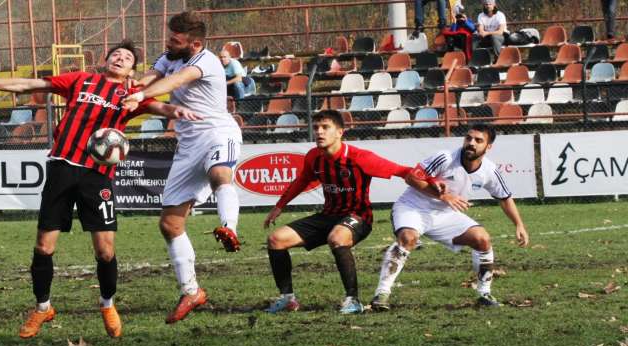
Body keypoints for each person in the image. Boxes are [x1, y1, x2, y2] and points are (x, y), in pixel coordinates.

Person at [0, 39, 198, 339]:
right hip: (61, 168)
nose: (119, 58)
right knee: (44, 246)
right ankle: (43, 307)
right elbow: (29, 85)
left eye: (126, 57)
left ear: (132, 70)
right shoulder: (81, 80)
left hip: (97, 177)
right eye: (115, 54)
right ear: (105, 60)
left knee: (105, 251)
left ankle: (107, 305)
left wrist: (178, 111)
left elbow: (161, 106)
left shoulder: (132, 94)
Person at [122, 11, 243, 324]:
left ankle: (229, 227)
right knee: (170, 224)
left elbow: (175, 81)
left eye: (175, 40)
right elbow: (153, 74)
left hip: (217, 132)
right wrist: (135, 86)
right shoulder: (170, 54)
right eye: (169, 37)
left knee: (220, 175)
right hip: (187, 144)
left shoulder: (206, 62)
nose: (169, 43)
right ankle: (191, 292)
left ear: (195, 43)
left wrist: (139, 95)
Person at [262, 110, 441, 315]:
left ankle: (353, 299)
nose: (319, 132)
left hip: (358, 216)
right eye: (316, 127)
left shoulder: (360, 158)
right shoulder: (314, 157)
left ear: (340, 132)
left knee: (337, 238)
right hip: (328, 215)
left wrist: (434, 182)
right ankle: (287, 299)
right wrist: (279, 206)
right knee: (276, 239)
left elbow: (402, 170)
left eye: (325, 127)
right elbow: (302, 180)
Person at [370, 124, 529, 311]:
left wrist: (519, 225)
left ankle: (484, 294)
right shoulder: (445, 158)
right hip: (413, 208)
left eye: (478, 140)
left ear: (488, 147)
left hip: (446, 215)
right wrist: (443, 196)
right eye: (468, 138)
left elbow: (505, 198)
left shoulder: (490, 171)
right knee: (408, 238)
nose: (471, 143)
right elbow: (412, 178)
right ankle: (382, 294)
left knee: (482, 239)